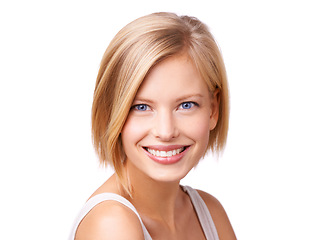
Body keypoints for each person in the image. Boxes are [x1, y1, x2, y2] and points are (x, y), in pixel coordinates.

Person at [69, 12, 236, 240]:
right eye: (141, 107)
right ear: (112, 113)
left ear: (213, 110)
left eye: (186, 105)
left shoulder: (210, 214)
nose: (166, 132)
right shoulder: (112, 225)